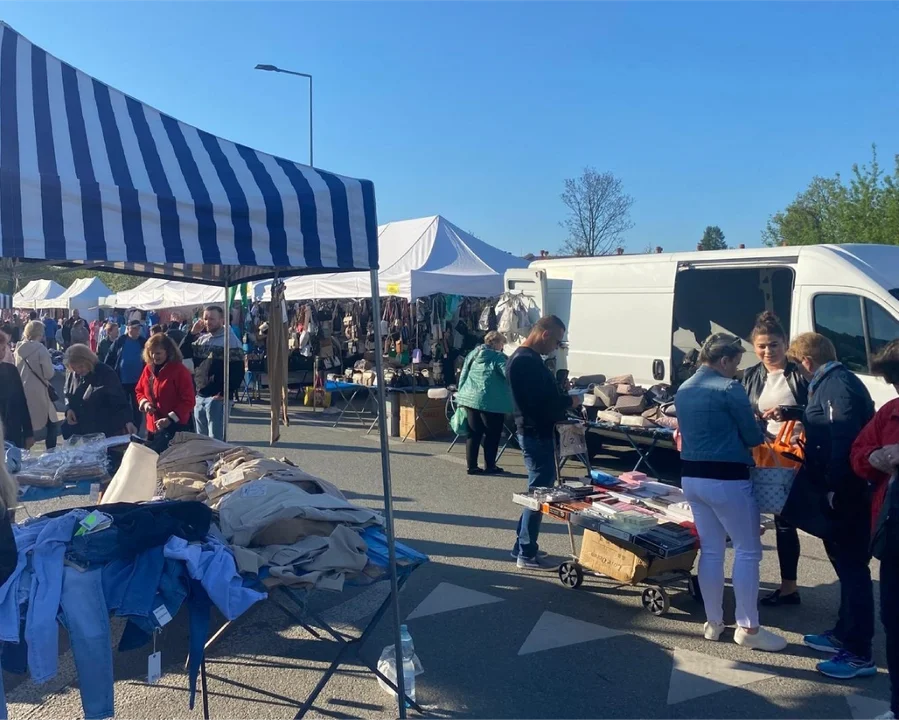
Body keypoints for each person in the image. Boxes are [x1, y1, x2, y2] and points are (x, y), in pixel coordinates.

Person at [771, 332, 876, 678]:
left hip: (847, 493)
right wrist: (795, 412)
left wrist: (835, 487)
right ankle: (844, 633)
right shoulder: (834, 382)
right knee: (846, 566)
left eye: (798, 368)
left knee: (853, 570)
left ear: (806, 362)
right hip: (844, 490)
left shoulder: (837, 385)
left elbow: (843, 436)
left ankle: (859, 652)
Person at [675, 332, 786, 652]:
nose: (737, 370)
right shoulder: (729, 388)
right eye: (735, 363)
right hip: (728, 478)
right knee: (747, 549)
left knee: (710, 550)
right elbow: (752, 438)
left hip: (692, 477)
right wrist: (756, 424)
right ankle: (748, 628)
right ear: (723, 360)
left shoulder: (684, 388)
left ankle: (713, 622)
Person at [741, 311, 810, 607]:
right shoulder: (750, 375)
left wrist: (790, 414)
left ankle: (788, 587)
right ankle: (755, 584)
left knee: (786, 520)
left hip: (794, 454)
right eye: (762, 346)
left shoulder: (799, 374)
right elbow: (743, 410)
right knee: (756, 517)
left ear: (785, 344)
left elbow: (816, 411)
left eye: (774, 345)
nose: (768, 351)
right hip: (762, 452)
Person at [507, 315, 581, 570]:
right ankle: (526, 553)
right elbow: (537, 404)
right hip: (535, 432)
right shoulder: (524, 361)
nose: (556, 347)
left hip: (535, 431)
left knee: (536, 491)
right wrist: (569, 402)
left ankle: (522, 546)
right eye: (557, 342)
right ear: (545, 334)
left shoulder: (527, 359)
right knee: (540, 494)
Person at [851, 340, 899, 720]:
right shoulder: (889, 413)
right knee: (895, 627)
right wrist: (875, 458)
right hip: (893, 538)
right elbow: (858, 455)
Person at [455, 331, 512, 475]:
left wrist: (461, 394)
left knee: (474, 433)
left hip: (470, 398)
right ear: (495, 343)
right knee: (493, 434)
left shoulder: (473, 354)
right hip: (491, 401)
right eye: (501, 343)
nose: (502, 347)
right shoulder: (498, 357)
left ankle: (472, 466)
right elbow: (508, 374)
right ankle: (490, 465)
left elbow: (464, 374)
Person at [183, 305, 243, 441]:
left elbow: (238, 370)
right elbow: (182, 354)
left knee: (216, 441)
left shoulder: (231, 341)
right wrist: (191, 334)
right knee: (200, 441)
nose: (207, 322)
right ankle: (205, 463)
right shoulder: (201, 339)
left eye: (212, 319)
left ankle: (216, 463)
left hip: (217, 398)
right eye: (205, 318)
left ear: (222, 320)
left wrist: (225, 392)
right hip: (200, 395)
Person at [135, 333, 195, 451]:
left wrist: (170, 419)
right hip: (153, 427)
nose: (153, 356)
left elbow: (189, 401)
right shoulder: (148, 369)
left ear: (168, 352)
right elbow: (139, 390)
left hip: (175, 429)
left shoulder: (180, 371)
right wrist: (145, 403)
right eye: (151, 352)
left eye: (158, 353)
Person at [62, 344, 134, 439]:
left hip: (104, 429)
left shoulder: (105, 373)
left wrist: (127, 420)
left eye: (81, 366)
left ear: (88, 360)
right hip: (80, 430)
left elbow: (119, 400)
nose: (78, 371)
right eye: (74, 368)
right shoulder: (73, 374)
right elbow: (68, 393)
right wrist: (69, 408)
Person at [15, 320, 60, 450]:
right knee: (51, 423)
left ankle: (23, 452)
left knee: (27, 424)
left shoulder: (18, 349)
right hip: (40, 391)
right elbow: (48, 373)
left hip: (23, 389)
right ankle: (50, 452)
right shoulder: (41, 349)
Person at [106, 320, 147, 430]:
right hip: (121, 380)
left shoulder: (143, 342)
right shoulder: (120, 341)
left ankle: (137, 429)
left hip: (138, 382)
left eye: (138, 329)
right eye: (134, 328)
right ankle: (123, 428)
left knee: (137, 407)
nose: (137, 331)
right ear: (128, 329)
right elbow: (110, 357)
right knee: (122, 406)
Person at [0, 330, 33, 449]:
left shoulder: (11, 370)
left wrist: (29, 432)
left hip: (13, 430)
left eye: (4, 349)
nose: (3, 353)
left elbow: (21, 401)